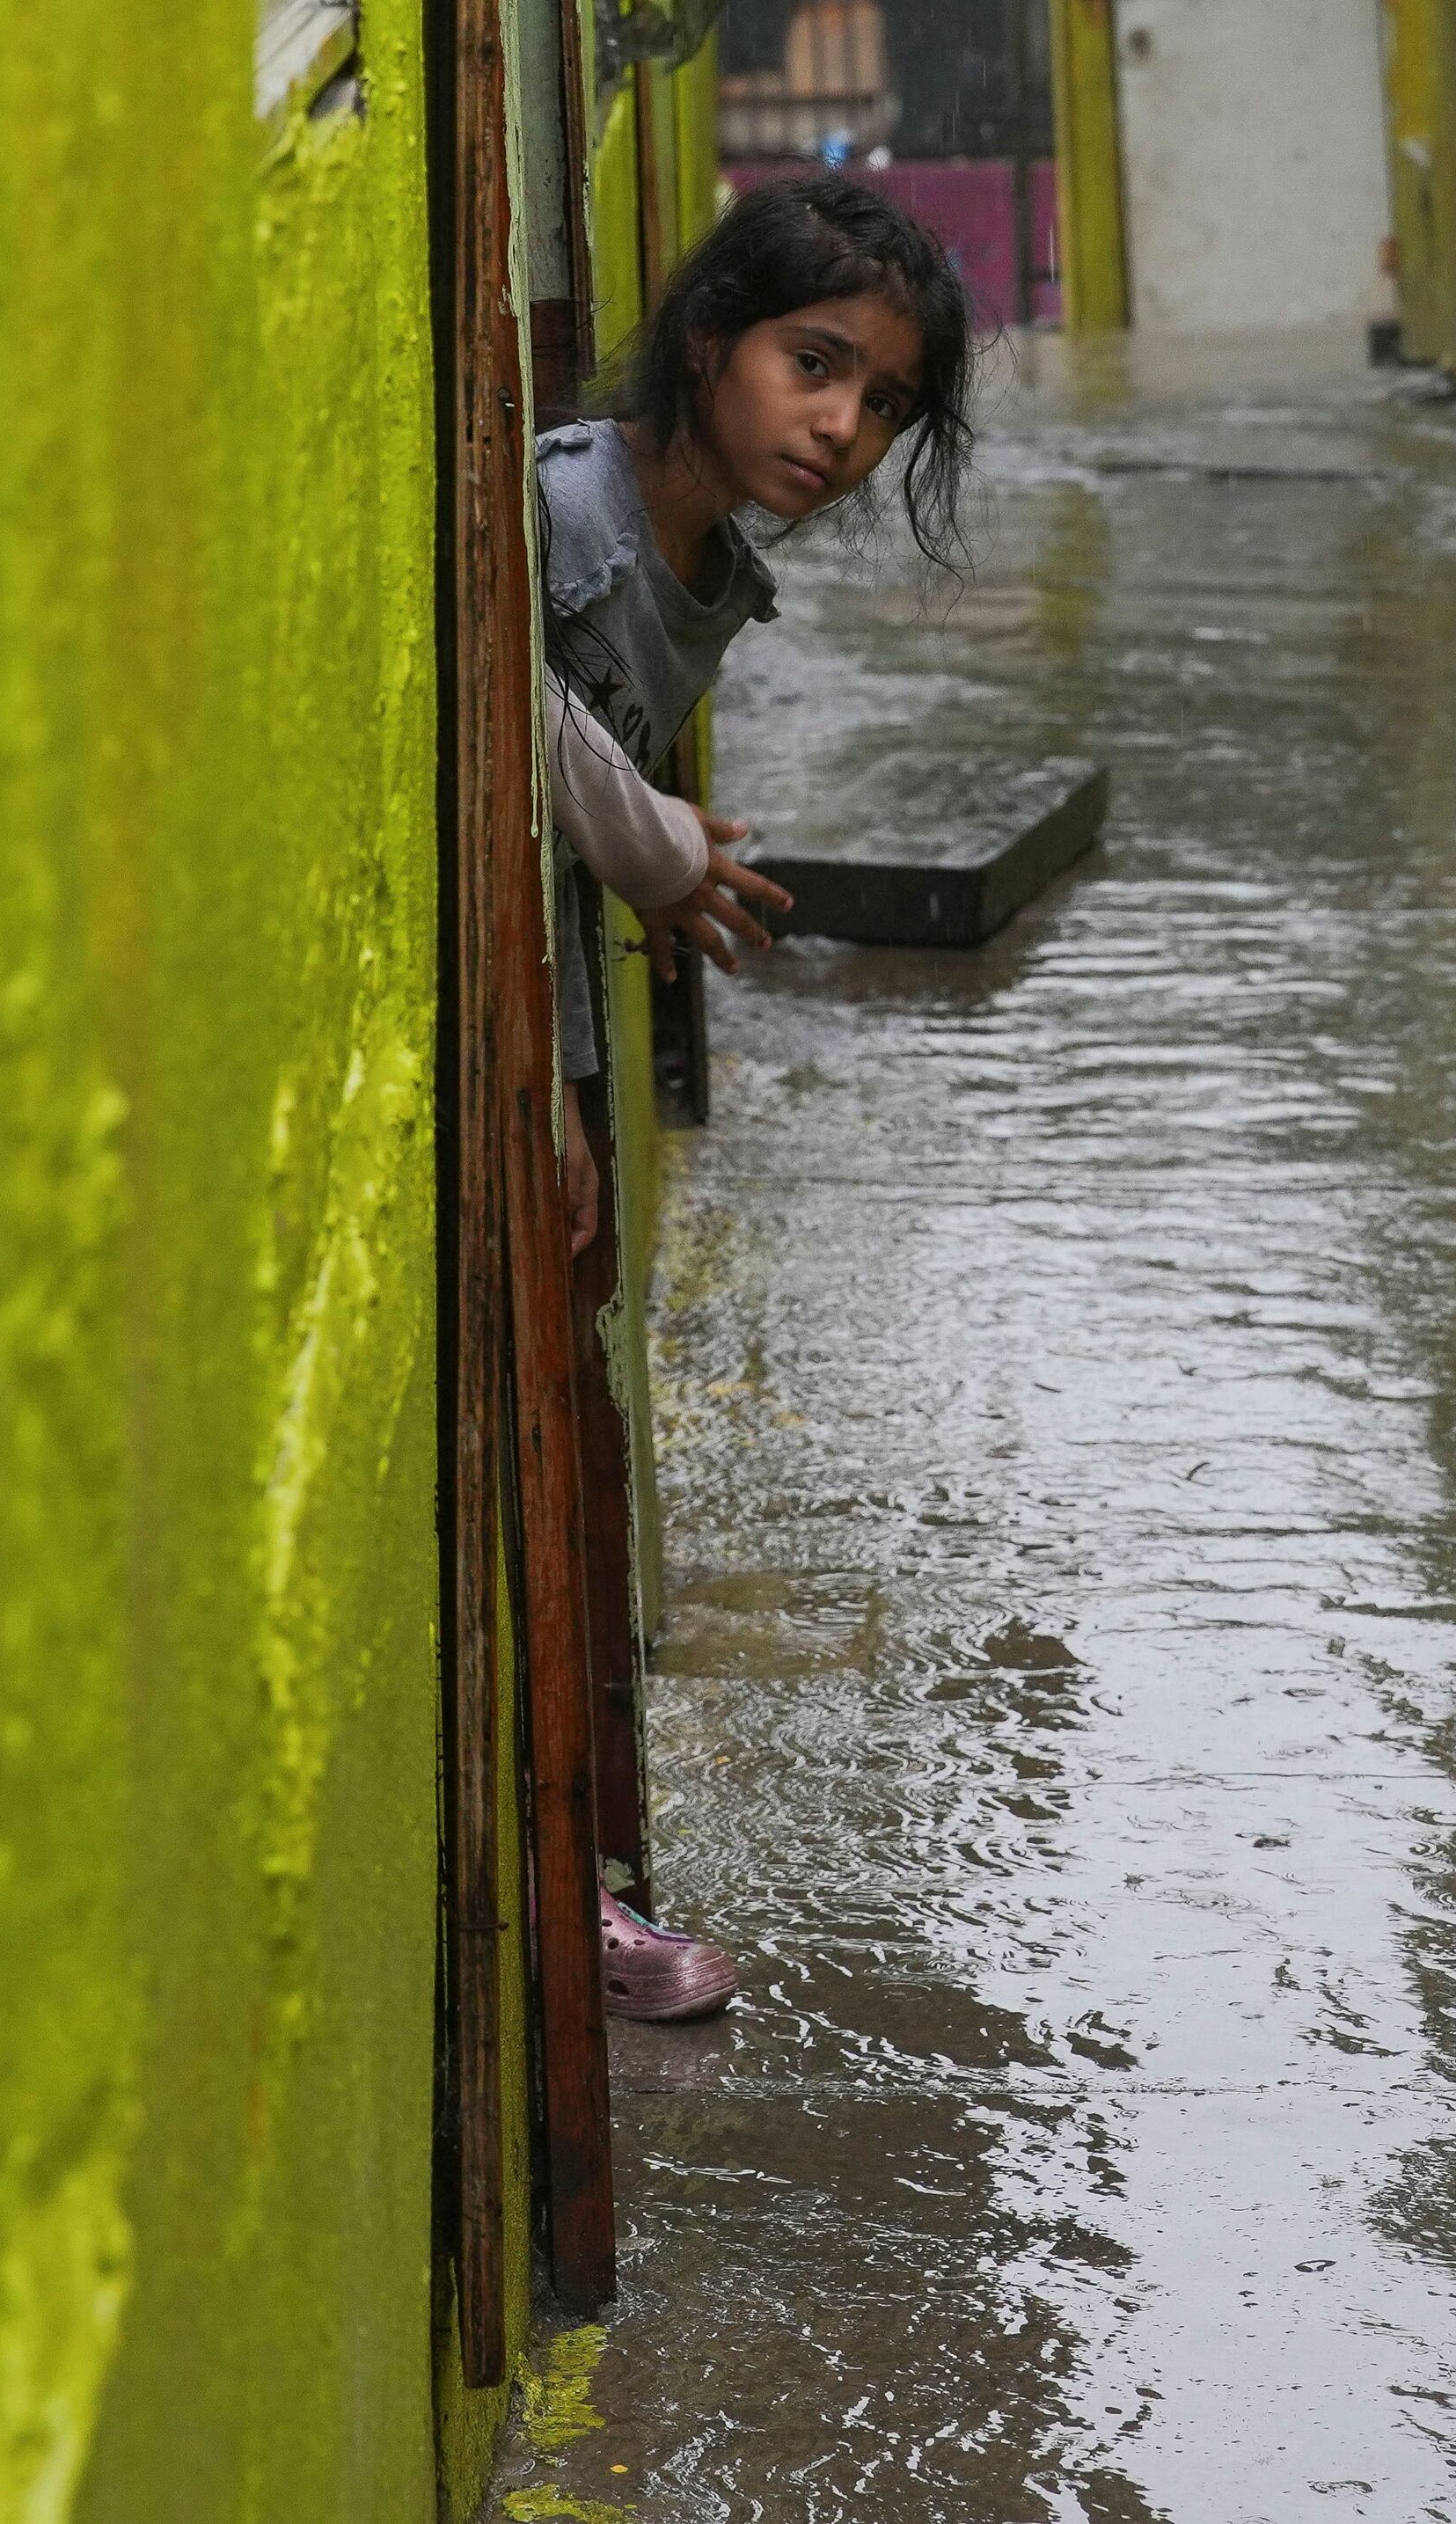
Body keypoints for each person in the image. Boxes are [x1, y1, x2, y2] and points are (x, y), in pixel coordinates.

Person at [533, 172, 979, 2022]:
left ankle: (581, 1885)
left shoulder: (697, 562)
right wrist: (645, 842)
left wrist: (647, 836)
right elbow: (486, 687)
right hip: (498, 1034)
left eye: (881, 404)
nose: (842, 430)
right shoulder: (568, 511)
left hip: (546, 1026)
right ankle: (568, 1903)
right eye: (815, 367)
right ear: (709, 335)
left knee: (569, 1442)